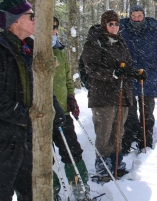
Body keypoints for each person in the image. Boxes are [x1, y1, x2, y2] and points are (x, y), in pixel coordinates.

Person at [0, 0, 65, 201]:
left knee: (33, 191)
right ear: (15, 20)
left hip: (28, 136)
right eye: (31, 16)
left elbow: (41, 87)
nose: (36, 20)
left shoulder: (32, 50)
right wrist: (27, 116)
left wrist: (54, 110)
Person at [81, 10, 146, 178]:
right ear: (104, 25)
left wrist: (136, 73)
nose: (115, 27)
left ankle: (116, 162)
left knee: (118, 132)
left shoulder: (121, 42)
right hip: (102, 96)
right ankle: (103, 166)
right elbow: (91, 68)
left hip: (122, 95)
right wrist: (112, 73)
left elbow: (126, 67)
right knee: (104, 133)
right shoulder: (94, 42)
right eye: (111, 24)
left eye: (117, 24)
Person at [120, 5, 157, 153]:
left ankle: (146, 143)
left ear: (144, 16)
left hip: (149, 77)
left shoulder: (155, 33)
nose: (137, 18)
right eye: (134, 16)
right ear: (130, 16)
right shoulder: (122, 32)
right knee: (130, 115)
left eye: (139, 16)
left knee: (147, 115)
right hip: (129, 78)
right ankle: (128, 142)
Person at [51, 17, 89, 200]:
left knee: (72, 150)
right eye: (50, 26)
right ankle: (50, 190)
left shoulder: (59, 51)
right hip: (39, 113)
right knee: (43, 156)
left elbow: (67, 79)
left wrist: (70, 97)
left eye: (56, 27)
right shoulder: (31, 48)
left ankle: (79, 186)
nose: (53, 30)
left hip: (63, 112)